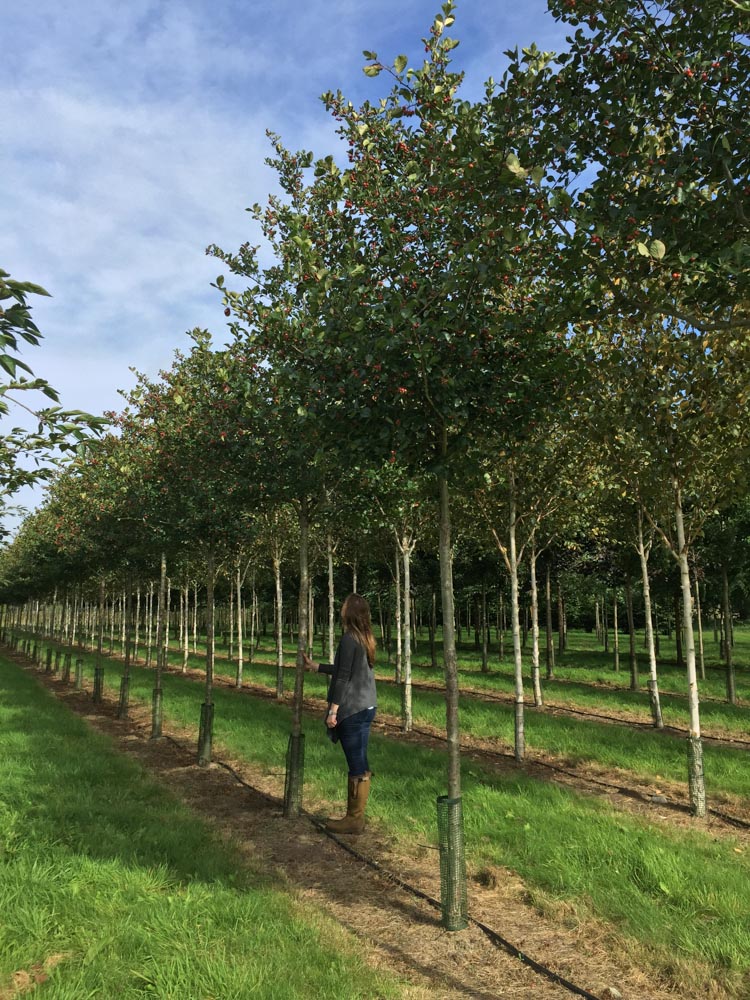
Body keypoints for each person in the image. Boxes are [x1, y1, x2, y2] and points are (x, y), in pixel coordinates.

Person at [302, 593, 377, 834]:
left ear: (350, 612)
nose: (340, 608)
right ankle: (357, 816)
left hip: (352, 708)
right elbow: (344, 668)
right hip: (367, 706)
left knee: (356, 762)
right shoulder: (363, 638)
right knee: (361, 760)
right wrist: (318, 667)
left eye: (344, 606)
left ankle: (353, 819)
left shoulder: (348, 639)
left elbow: (343, 677)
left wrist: (333, 711)